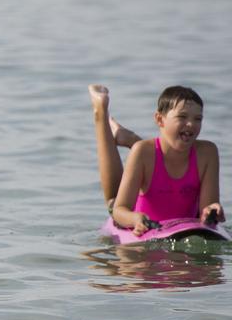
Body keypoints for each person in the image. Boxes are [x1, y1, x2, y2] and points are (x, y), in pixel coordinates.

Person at [89, 84, 223, 237]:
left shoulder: (207, 152)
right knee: (113, 199)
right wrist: (134, 218)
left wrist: (211, 210)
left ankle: (130, 139)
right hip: (141, 217)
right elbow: (120, 210)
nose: (191, 124)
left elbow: (207, 208)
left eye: (198, 119)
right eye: (182, 117)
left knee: (146, 153)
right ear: (160, 119)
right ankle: (100, 110)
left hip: (182, 226)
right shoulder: (142, 151)